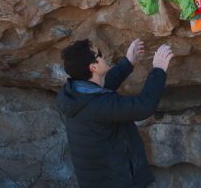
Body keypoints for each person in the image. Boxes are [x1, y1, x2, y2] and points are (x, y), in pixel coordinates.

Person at [57, 38, 172, 188]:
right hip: (117, 181)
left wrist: (129, 61)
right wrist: (159, 69)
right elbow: (143, 106)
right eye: (99, 54)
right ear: (93, 67)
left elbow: (102, 87)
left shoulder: (73, 92)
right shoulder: (98, 106)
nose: (103, 56)